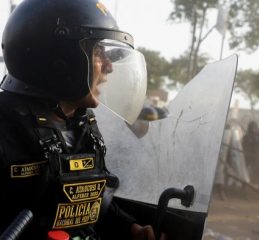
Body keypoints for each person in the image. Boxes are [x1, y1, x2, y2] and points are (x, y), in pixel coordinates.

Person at [0, 0, 163, 239]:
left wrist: (130, 228)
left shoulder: (82, 123)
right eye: (98, 53)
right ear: (61, 60)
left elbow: (88, 201)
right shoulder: (5, 128)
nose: (109, 67)